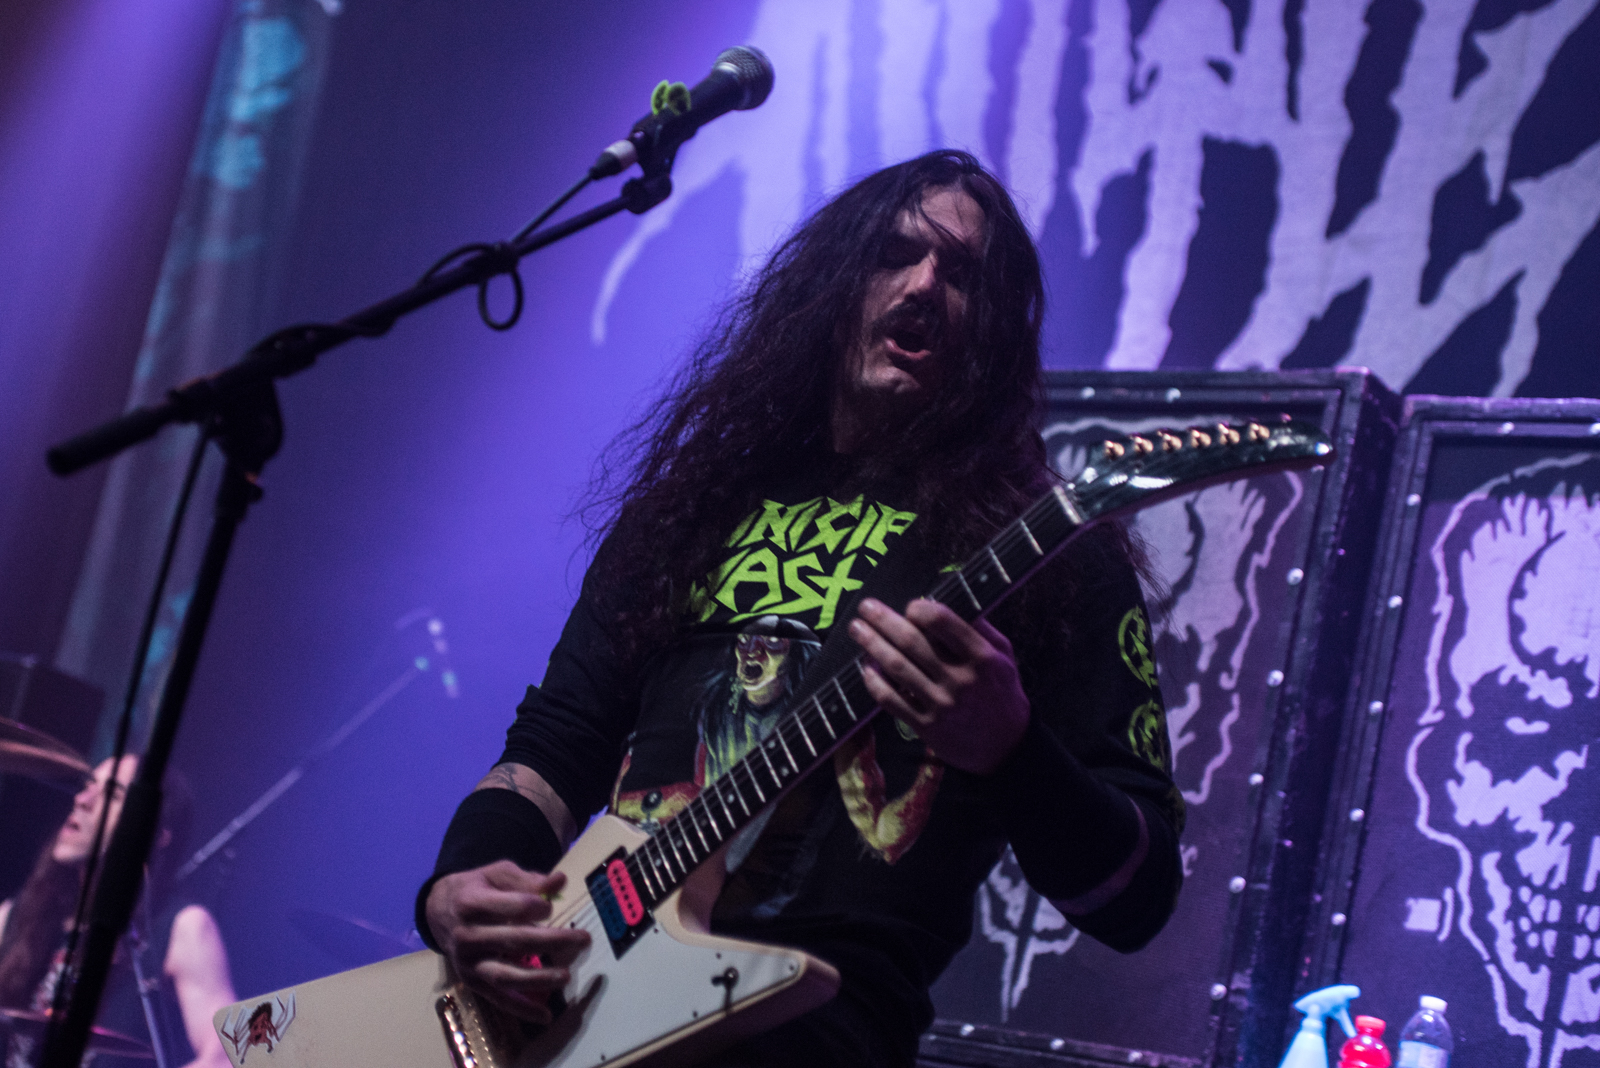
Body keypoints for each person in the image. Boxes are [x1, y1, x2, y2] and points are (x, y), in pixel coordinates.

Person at [416, 150, 1185, 1066]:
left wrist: (1012, 750)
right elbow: (555, 744)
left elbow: (1139, 902)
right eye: (894, 253)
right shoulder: (693, 514)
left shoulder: (1045, 555)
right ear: (830, 286)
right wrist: (460, 884)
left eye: (963, 275)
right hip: (585, 1014)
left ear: (994, 334)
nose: (924, 285)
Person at [0, 756, 237, 1068]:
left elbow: (227, 1055)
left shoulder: (183, 928)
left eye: (112, 795)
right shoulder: (16, 915)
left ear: (156, 834)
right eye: (88, 786)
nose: (82, 800)